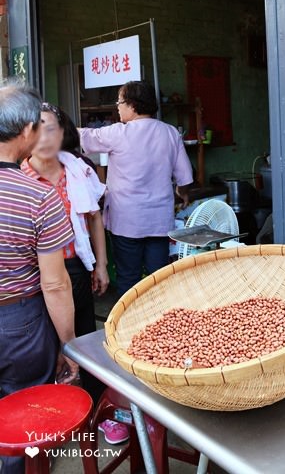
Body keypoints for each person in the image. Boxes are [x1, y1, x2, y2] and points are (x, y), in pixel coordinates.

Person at [0, 82, 78, 474]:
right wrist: (68, 345)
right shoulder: (38, 196)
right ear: (27, 131)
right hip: (20, 324)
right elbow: (55, 283)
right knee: (21, 417)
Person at [21, 103, 109, 406]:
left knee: (85, 341)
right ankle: (52, 413)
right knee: (46, 347)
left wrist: (101, 265)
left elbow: (94, 218)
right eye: (37, 129)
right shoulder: (19, 177)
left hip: (75, 267)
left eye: (51, 128)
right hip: (34, 275)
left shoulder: (77, 169)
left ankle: (97, 408)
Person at [79, 80, 193, 296]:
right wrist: (182, 194)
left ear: (132, 105)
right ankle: (160, 323)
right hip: (159, 222)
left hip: (126, 222)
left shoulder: (118, 133)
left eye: (120, 102)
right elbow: (184, 178)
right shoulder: (170, 133)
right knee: (158, 279)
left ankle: (127, 327)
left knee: (128, 278)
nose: (117, 107)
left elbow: (82, 136)